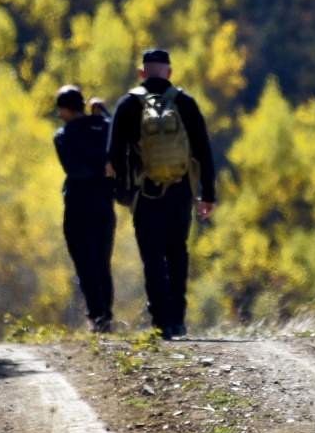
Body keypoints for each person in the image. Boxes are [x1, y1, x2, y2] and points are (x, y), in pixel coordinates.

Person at [107, 49, 215, 340]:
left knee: (153, 257)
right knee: (177, 252)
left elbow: (113, 158)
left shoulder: (129, 104)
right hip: (181, 192)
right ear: (169, 72)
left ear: (142, 72)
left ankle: (161, 324)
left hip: (146, 194)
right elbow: (204, 150)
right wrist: (209, 195)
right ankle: (178, 321)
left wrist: (121, 193)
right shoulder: (185, 103)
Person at [53, 85, 116, 332]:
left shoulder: (64, 135)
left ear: (65, 110)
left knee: (85, 264)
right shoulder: (103, 127)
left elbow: (74, 170)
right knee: (102, 262)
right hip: (104, 205)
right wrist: (106, 112)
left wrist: (95, 171)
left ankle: (97, 318)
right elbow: (118, 134)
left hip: (79, 206)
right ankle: (106, 317)